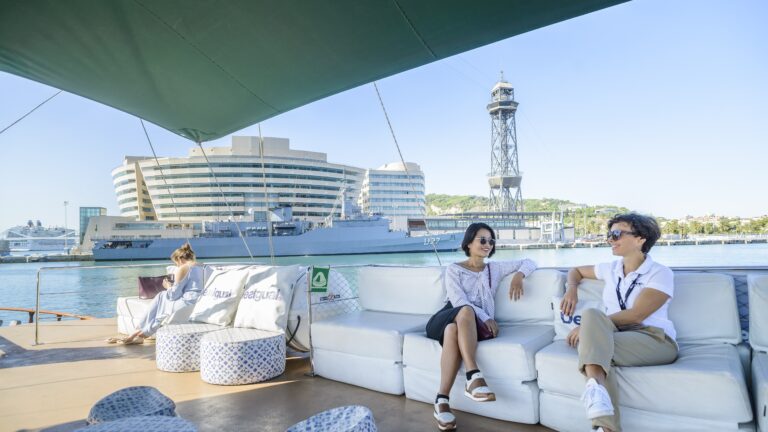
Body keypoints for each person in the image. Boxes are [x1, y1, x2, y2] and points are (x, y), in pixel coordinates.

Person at [560, 213, 677, 432]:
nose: (610, 240)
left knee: (593, 329)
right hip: (615, 337)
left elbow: (636, 316)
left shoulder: (660, 273)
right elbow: (574, 271)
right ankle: (604, 422)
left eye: (616, 234)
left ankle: (596, 399)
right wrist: (572, 289)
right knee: (600, 351)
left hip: (655, 339)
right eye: (609, 234)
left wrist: (588, 329)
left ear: (640, 238)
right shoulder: (610, 269)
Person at [426, 222, 537, 431]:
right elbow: (459, 301)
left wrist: (519, 275)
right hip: (446, 316)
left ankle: (441, 400)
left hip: (470, 327)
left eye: (491, 241)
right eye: (482, 240)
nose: (488, 244)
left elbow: (530, 261)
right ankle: (473, 376)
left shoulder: (494, 269)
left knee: (453, 330)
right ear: (469, 243)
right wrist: (486, 317)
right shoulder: (454, 269)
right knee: (463, 313)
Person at [110, 243, 204, 345]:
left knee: (162, 296)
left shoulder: (184, 267)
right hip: (198, 299)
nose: (177, 266)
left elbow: (173, 295)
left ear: (180, 259)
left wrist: (168, 286)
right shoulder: (202, 266)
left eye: (176, 263)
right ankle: (140, 334)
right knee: (161, 297)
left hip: (188, 302)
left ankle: (137, 334)